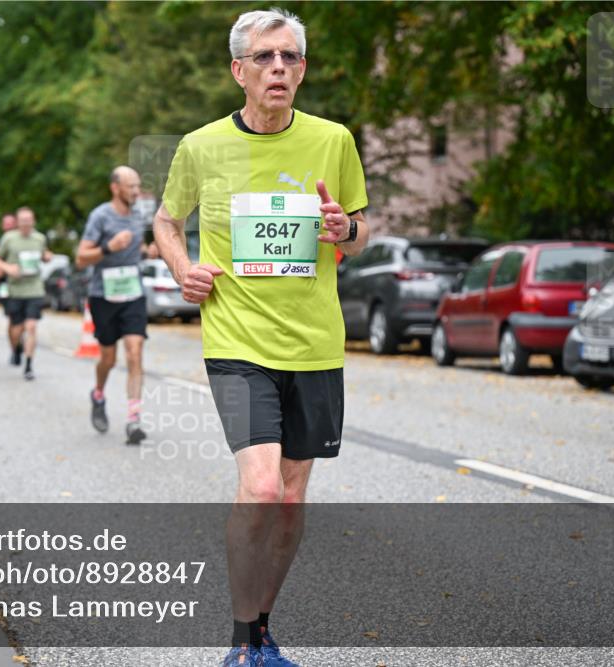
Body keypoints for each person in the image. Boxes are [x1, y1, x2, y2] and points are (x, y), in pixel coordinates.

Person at [153, 9, 370, 667]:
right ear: (239, 71)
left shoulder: (334, 140)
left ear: (302, 70)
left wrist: (345, 231)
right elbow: (167, 221)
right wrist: (184, 269)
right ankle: (243, 641)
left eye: (290, 58)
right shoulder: (200, 146)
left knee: (294, 494)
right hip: (237, 342)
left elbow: (361, 229)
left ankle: (263, 627)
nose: (279, 67)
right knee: (263, 486)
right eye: (266, 57)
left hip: (315, 345)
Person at [75, 166, 149, 445]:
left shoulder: (139, 216)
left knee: (135, 351)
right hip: (103, 294)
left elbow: (137, 249)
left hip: (133, 292)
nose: (136, 191)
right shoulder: (100, 216)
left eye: (138, 186)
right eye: (131, 186)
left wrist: (147, 251)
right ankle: (98, 394)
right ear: (115, 188)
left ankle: (133, 419)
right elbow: (80, 258)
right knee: (109, 358)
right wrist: (109, 248)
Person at [0, 206, 51, 381]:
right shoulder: (9, 239)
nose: (26, 224)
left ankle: (29, 365)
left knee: (31, 326)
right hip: (15, 290)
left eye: (28, 220)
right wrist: (8, 268)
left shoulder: (40, 238)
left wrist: (47, 256)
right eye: (22, 221)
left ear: (33, 221)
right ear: (17, 222)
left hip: (35, 288)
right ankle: (16, 348)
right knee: (16, 329)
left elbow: (44, 254)